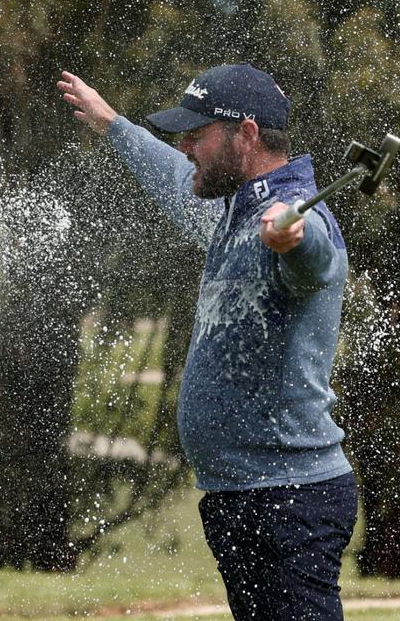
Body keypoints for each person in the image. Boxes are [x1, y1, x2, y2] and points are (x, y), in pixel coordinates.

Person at [59, 65, 357, 620]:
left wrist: (292, 238)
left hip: (288, 498)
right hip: (243, 496)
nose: (186, 144)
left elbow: (317, 259)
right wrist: (113, 124)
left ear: (245, 133)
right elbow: (175, 178)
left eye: (198, 134)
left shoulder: (291, 218)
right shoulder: (231, 211)